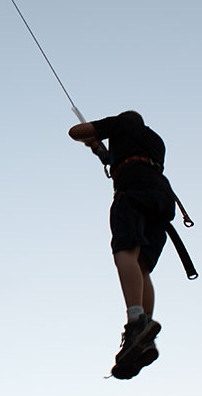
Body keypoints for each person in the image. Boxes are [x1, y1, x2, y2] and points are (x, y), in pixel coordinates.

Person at [68, 111, 175, 379]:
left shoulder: (123, 122)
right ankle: (145, 335)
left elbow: (75, 131)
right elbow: (122, 157)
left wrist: (93, 133)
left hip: (133, 188)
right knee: (142, 267)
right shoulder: (155, 140)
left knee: (125, 251)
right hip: (161, 196)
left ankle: (137, 321)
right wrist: (101, 151)